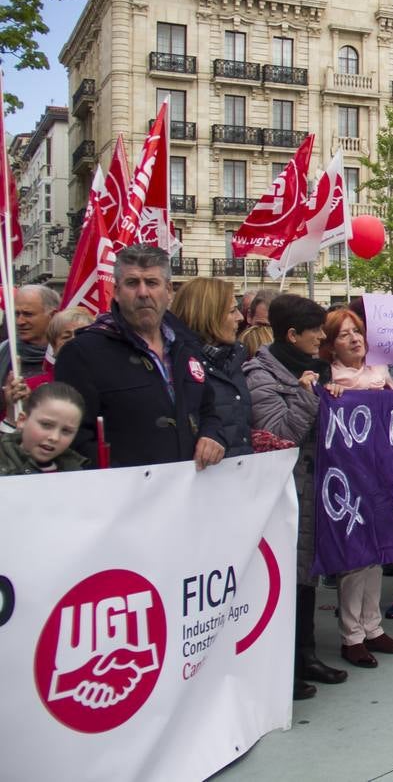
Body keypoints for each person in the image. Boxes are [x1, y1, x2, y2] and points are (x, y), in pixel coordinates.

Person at [244, 293, 348, 700]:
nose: (322, 337)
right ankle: (282, 664)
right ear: (291, 334)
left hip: (317, 484)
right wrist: (309, 395)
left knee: (307, 574)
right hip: (286, 489)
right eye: (315, 331)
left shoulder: (317, 369)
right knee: (287, 575)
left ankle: (305, 654)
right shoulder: (260, 375)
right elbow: (279, 434)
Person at [55, 245, 225, 470]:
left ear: (169, 291)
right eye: (132, 283)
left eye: (152, 283)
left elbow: (207, 410)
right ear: (116, 291)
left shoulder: (187, 346)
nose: (143, 293)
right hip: (123, 496)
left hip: (188, 489)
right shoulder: (82, 352)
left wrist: (212, 435)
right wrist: (121, 475)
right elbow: (72, 435)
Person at [321, 308, 393, 666]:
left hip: (383, 470)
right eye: (344, 335)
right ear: (331, 345)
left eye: (357, 331)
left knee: (376, 553)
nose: (355, 339)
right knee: (354, 557)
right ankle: (351, 635)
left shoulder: (380, 372)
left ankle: (373, 628)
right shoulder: (329, 378)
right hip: (349, 475)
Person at [171, 278, 253, 457]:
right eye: (232, 310)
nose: (240, 317)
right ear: (207, 315)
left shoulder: (232, 360)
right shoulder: (178, 366)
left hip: (238, 478)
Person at [0, 381, 86, 475]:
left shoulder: (77, 471)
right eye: (46, 425)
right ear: (22, 420)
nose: (54, 437)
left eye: (66, 431)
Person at [2, 284, 60, 414]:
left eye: (28, 314)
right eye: (17, 314)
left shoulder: (66, 355)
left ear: (53, 315)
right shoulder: (5, 350)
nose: (20, 321)